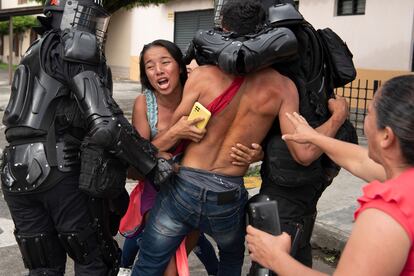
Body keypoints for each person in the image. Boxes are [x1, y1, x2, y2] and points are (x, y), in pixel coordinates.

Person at [132, 1, 349, 275]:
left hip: (184, 186)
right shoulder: (283, 87)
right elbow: (304, 154)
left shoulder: (203, 77)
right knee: (231, 262)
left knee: (149, 263)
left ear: (224, 30)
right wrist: (337, 118)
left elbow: (173, 137)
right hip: (227, 193)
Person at [0, 1, 171, 275]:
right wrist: (152, 164)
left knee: (43, 267)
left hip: (14, 173)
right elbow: (105, 123)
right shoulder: (75, 47)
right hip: (58, 168)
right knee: (95, 260)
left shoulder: (35, 50)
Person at [186, 0, 358, 266]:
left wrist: (338, 117)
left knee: (270, 259)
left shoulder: (283, 38)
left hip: (295, 166)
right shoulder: (304, 33)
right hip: (307, 170)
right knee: (296, 245)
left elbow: (303, 152)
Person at [118, 39, 263, 276]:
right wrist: (175, 133)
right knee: (164, 261)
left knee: (172, 265)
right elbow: (137, 160)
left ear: (180, 66)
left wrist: (258, 152)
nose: (158, 71)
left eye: (165, 62)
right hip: (155, 191)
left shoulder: (199, 92)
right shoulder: (144, 103)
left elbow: (231, 135)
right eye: (149, 66)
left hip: (190, 190)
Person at [246, 74, 414, 276]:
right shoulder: (403, 176)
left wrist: (276, 258)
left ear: (386, 136)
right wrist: (314, 137)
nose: (365, 120)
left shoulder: (387, 212)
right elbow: (359, 160)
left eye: (369, 113)